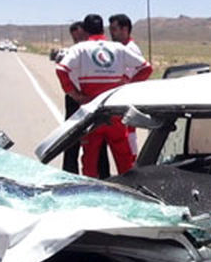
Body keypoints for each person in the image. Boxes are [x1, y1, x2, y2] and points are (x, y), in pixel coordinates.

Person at [55, 14, 151, 178]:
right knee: (124, 160)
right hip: (115, 114)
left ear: (85, 30)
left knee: (90, 162)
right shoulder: (118, 48)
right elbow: (146, 68)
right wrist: (126, 86)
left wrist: (76, 95)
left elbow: (61, 69)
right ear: (103, 29)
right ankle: (130, 192)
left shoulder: (80, 49)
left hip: (92, 114)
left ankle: (92, 194)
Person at [109, 14, 144, 157]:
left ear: (125, 29)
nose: (111, 33)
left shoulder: (130, 49)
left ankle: (132, 166)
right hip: (124, 98)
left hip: (128, 99)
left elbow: (137, 72)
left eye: (114, 29)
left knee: (128, 136)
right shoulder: (121, 49)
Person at [60, 21, 89, 173]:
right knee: (71, 139)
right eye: (75, 39)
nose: (77, 42)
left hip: (91, 97)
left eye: (80, 37)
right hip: (75, 98)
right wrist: (74, 95)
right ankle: (69, 173)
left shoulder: (92, 52)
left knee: (95, 139)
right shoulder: (73, 52)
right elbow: (62, 70)